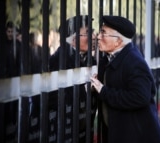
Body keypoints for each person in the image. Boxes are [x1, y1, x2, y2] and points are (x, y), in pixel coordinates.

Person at [90, 15, 160, 143]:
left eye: (103, 33)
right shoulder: (108, 59)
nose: (98, 37)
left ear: (118, 41)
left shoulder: (134, 62)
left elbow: (140, 96)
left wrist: (103, 91)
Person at [49, 15, 97, 143]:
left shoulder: (92, 61)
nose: (94, 37)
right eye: (88, 32)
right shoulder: (55, 63)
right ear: (73, 39)